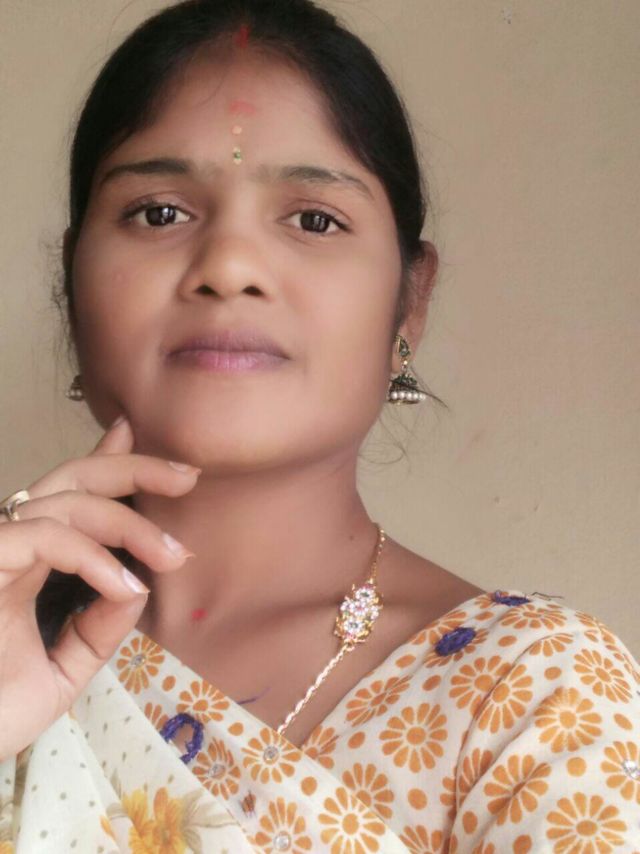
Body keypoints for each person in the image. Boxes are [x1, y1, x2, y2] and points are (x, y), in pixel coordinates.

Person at [1, 0, 639, 851]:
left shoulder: (530, 692)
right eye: (159, 213)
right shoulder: (9, 637)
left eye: (313, 219)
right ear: (70, 287)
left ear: (409, 303)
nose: (229, 266)